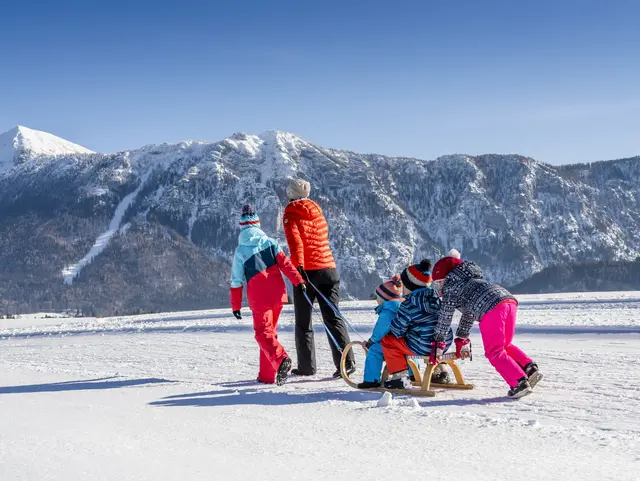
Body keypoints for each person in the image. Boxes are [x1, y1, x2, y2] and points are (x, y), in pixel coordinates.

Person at [430, 249, 543, 399]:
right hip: (508, 300)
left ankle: (519, 382)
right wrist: (462, 338)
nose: (439, 288)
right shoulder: (469, 281)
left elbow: (445, 317)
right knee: (505, 345)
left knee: (494, 352)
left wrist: (438, 343)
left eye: (439, 283)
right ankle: (529, 368)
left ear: (447, 278)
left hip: (491, 309)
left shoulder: (451, 287)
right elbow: (469, 312)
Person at [282, 179, 355, 378]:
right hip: (329, 269)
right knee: (333, 317)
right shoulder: (318, 212)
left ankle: (306, 367)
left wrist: (298, 268)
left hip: (307, 271)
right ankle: (346, 363)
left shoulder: (290, 212)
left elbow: (295, 242)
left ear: (291, 195)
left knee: (304, 322)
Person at [230, 204, 306, 386]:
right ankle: (266, 376)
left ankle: (281, 360)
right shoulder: (271, 242)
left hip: (259, 297)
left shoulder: (241, 251)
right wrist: (299, 281)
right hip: (278, 294)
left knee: (262, 334)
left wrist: (236, 305)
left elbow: (236, 280)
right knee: (270, 334)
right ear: (257, 225)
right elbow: (286, 264)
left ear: (242, 227)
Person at [380, 260, 454, 389]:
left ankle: (400, 377)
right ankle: (441, 372)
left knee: (388, 341)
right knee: (429, 335)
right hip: (444, 343)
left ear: (408, 286)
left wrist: (393, 328)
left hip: (423, 346)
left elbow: (398, 330)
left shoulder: (409, 304)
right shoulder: (437, 298)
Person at [357, 275, 404, 389]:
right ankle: (412, 375)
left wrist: (372, 341)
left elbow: (381, 330)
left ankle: (371, 380)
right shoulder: (403, 307)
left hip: (393, 344)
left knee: (374, 351)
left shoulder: (388, 311)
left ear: (385, 298)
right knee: (407, 355)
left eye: (378, 297)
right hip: (406, 343)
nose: (377, 300)